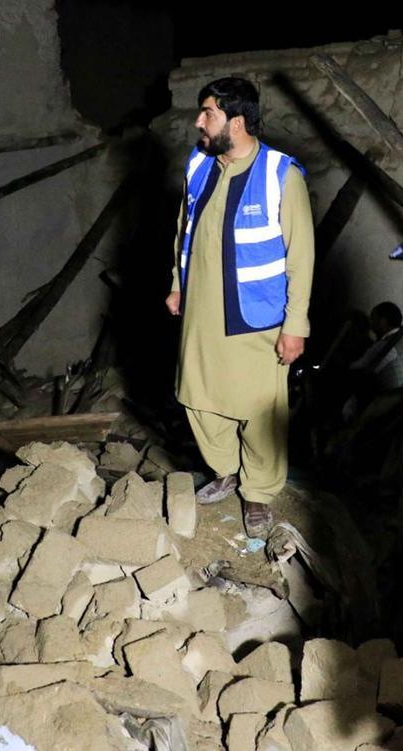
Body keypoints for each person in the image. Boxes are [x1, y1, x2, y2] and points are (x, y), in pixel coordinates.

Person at [165, 77, 315, 538]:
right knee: (197, 397)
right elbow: (182, 233)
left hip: (256, 317)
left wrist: (296, 324)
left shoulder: (280, 175)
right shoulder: (198, 166)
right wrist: (177, 284)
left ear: (238, 120)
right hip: (200, 316)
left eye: (207, 113)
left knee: (260, 411)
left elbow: (302, 255)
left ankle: (258, 493)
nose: (198, 122)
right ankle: (225, 471)